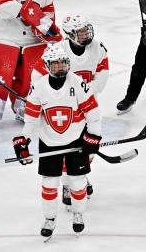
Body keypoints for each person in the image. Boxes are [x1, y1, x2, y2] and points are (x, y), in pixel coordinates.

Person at [13, 44, 102, 237]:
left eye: (63, 63)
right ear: (47, 66)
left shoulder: (78, 83)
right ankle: (50, 218)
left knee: (78, 182)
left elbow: (93, 114)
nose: (60, 67)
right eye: (55, 65)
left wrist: (92, 136)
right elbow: (31, 119)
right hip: (49, 142)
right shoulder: (38, 87)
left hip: (75, 140)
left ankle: (78, 214)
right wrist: (24, 140)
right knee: (49, 183)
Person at [31, 14, 109, 207]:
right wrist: (45, 97)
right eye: (80, 31)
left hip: (86, 105)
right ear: (69, 34)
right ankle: (67, 184)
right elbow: (37, 77)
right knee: (64, 145)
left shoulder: (98, 48)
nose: (84, 34)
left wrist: (82, 95)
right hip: (61, 108)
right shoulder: (58, 51)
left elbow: (101, 78)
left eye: (85, 29)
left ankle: (78, 176)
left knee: (86, 147)